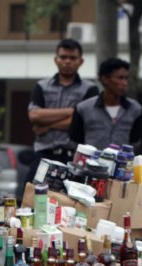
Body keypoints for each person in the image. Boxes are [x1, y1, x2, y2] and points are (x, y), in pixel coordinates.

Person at [29, 39, 99, 169]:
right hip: (43, 155)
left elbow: (83, 120)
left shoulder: (90, 89)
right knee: (31, 183)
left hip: (75, 158)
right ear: (56, 59)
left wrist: (48, 126)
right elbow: (35, 115)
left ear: (81, 61)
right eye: (63, 57)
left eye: (72, 58)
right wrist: (72, 111)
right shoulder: (42, 86)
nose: (67, 61)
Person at [69, 57, 142, 150]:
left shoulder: (135, 109)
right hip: (92, 159)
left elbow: (135, 141)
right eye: (120, 78)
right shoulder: (83, 109)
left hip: (122, 159)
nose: (124, 83)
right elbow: (75, 141)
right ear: (105, 79)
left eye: (126, 78)